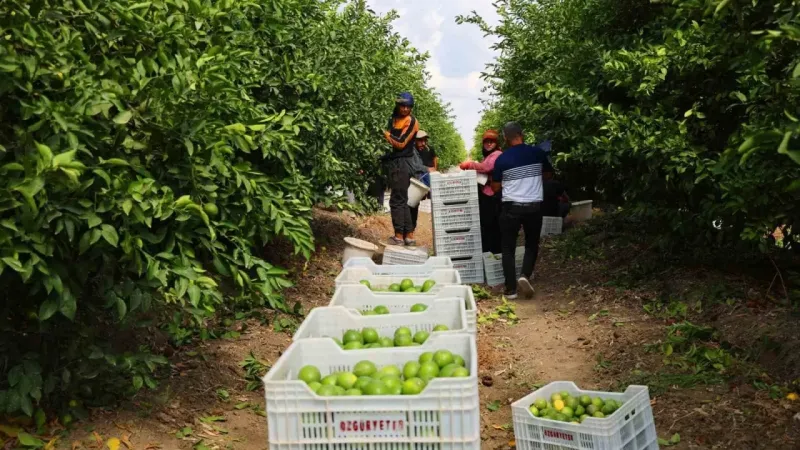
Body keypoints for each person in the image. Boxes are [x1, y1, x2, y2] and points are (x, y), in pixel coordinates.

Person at [492, 122, 553, 299]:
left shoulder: (502, 159)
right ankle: (525, 275)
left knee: (508, 247)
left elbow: (495, 187)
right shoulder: (537, 153)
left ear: (505, 138)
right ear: (522, 134)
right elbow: (548, 175)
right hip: (534, 206)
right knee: (531, 243)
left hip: (511, 207)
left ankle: (510, 289)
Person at [382, 92, 420, 246]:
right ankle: (408, 235)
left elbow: (401, 143)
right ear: (397, 105)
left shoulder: (411, 121)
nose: (405, 109)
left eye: (408, 106)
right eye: (402, 105)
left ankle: (400, 235)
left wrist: (384, 134)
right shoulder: (394, 119)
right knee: (401, 199)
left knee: (397, 200)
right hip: (396, 162)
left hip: (403, 163)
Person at [460, 129, 503, 253]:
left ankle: (494, 252)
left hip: (493, 196)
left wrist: (470, 164)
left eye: (492, 142)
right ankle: (487, 251)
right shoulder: (488, 156)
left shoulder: (497, 155)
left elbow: (486, 167)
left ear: (496, 143)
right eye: (486, 142)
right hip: (486, 194)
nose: (489, 144)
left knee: (492, 225)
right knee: (486, 225)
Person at [410, 130, 437, 233]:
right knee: (411, 204)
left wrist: (434, 169)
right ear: (415, 141)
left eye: (424, 140)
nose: (423, 143)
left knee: (414, 204)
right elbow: (414, 166)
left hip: (422, 176)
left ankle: (411, 230)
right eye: (420, 141)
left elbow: (434, 159)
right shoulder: (412, 151)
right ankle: (409, 231)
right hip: (415, 179)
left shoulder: (428, 149)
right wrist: (428, 169)